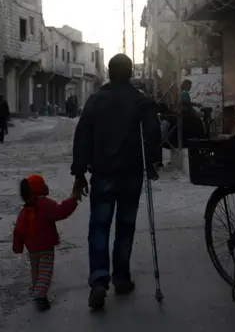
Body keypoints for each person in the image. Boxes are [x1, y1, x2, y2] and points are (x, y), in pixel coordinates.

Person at [71, 53, 161, 310]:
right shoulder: (140, 100)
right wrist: (152, 161)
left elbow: (82, 135)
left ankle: (99, 280)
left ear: (109, 73)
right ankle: (121, 278)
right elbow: (153, 131)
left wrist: (79, 172)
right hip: (131, 174)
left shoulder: (96, 100)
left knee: (99, 227)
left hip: (103, 174)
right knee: (125, 226)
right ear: (130, 73)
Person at [12, 174, 81, 311]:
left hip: (32, 248)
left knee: (36, 270)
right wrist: (73, 200)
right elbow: (61, 211)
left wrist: (18, 247)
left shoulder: (24, 211)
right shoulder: (46, 205)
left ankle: (36, 289)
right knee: (45, 272)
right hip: (46, 246)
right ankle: (40, 295)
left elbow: (18, 231)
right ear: (40, 189)